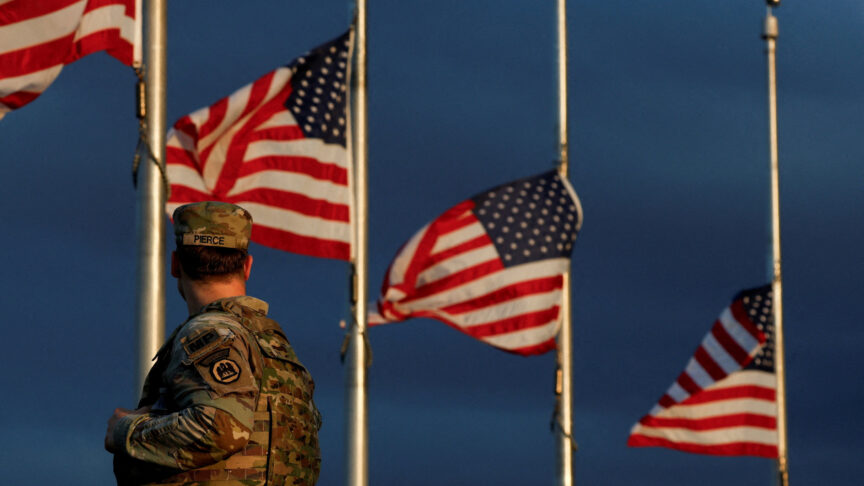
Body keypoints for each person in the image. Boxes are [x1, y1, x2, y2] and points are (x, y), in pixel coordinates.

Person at [105, 201, 321, 485]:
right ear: (247, 266)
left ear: (175, 264)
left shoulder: (211, 332)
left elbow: (220, 427)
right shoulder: (272, 344)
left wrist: (125, 431)